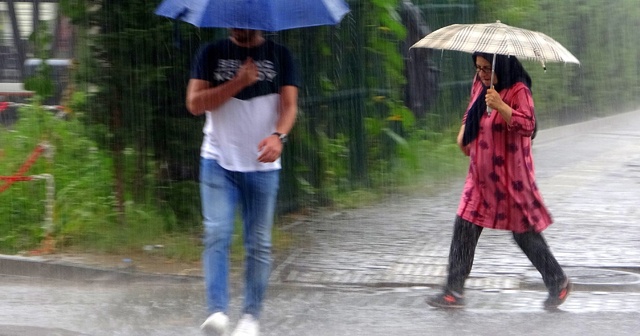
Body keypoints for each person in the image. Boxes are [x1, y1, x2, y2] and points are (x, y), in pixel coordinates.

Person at [426, 52, 572, 310]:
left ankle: (557, 281)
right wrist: (464, 133)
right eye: (478, 67)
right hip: (480, 177)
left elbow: (528, 125)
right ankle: (453, 291)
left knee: (523, 234)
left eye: (486, 68)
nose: (481, 73)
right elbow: (471, 109)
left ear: (501, 66)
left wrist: (502, 106)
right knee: (465, 226)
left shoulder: (519, 90)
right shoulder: (480, 83)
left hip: (510, 179)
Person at [186, 28, 300, 336]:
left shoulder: (281, 56)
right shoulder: (210, 53)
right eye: (233, 19)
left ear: (260, 22)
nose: (237, 26)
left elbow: (289, 106)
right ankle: (217, 313)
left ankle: (250, 317)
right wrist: (238, 82)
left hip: (263, 167)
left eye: (244, 20)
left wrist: (279, 136)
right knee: (216, 234)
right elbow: (194, 104)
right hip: (218, 161)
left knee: (258, 244)